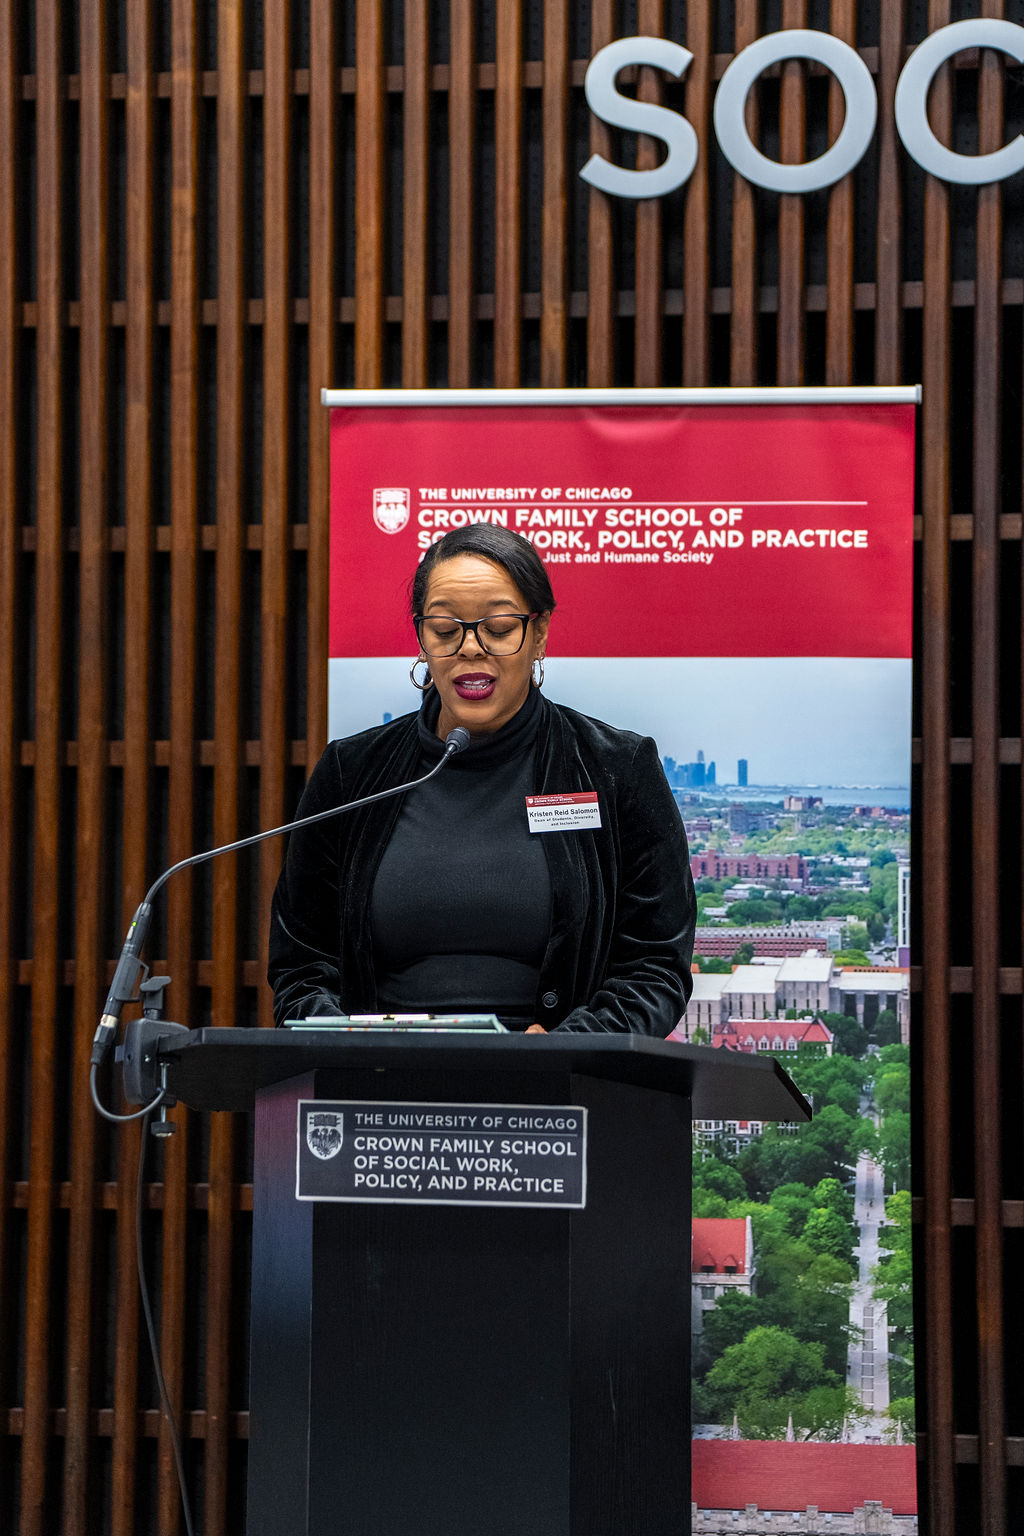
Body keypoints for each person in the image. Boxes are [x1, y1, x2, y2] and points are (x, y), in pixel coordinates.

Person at [268, 524, 696, 1033]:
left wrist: (569, 1049)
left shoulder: (617, 768)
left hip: (566, 1082)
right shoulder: (352, 774)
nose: (470, 648)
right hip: (381, 1081)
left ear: (539, 633)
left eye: (497, 628)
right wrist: (353, 1046)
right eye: (446, 629)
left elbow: (655, 968)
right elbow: (300, 968)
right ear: (421, 637)